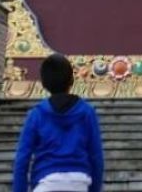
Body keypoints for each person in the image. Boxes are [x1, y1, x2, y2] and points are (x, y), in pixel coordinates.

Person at [12, 53, 104, 192]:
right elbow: (96, 156)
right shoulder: (87, 112)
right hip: (79, 181)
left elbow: (22, 159)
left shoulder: (37, 114)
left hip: (46, 181)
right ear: (71, 80)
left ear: (44, 83)